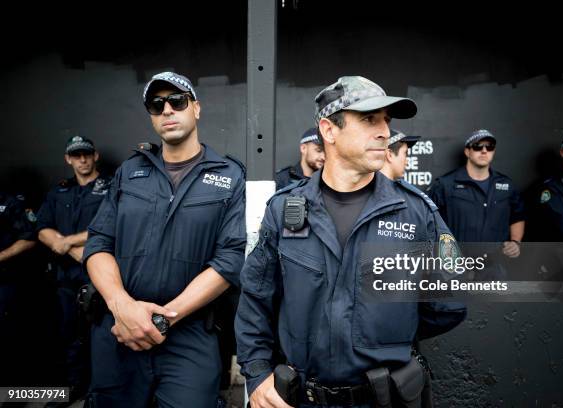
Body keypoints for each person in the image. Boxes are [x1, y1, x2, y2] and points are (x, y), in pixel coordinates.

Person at [236, 76, 466, 408]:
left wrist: (385, 334)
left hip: (386, 398)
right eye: (369, 119)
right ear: (329, 130)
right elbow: (255, 301)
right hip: (302, 399)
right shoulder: (284, 209)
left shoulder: (416, 211)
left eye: (386, 120)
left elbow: (450, 301)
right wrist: (257, 376)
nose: (385, 131)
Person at [83, 71, 246, 407]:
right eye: (157, 105)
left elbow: (230, 259)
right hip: (119, 331)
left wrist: (163, 318)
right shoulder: (130, 172)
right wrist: (122, 307)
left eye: (177, 101)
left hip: (189, 335)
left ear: (196, 108)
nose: (168, 110)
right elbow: (98, 243)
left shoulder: (230, 177)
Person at [36, 136, 110, 399]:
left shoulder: (110, 188)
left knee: (100, 338)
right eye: (76, 155)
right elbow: (42, 227)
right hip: (65, 279)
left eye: (86, 154)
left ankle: (98, 394)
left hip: (98, 278)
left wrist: (67, 242)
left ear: (95, 155)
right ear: (68, 159)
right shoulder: (60, 191)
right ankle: (70, 390)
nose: (82, 159)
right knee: (67, 335)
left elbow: (110, 226)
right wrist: (66, 246)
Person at [428, 130, 525, 258]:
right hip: (456, 263)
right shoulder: (445, 184)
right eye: (478, 146)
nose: (484, 151)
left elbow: (517, 216)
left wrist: (515, 242)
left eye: (489, 147)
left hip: (496, 263)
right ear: (467, 151)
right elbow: (428, 221)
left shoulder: (507, 185)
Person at [0, 191, 36, 385]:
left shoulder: (10, 203)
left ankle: (11, 395)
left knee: (7, 340)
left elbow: (29, 238)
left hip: (5, 281)